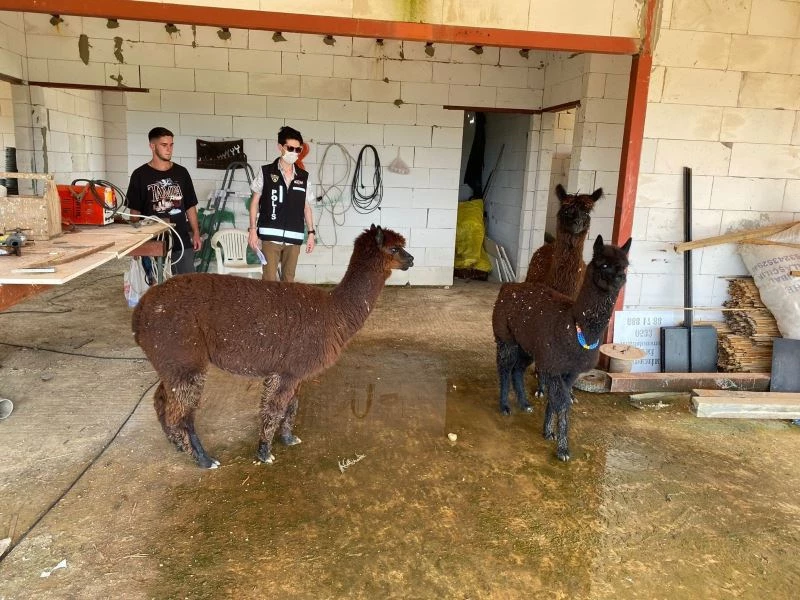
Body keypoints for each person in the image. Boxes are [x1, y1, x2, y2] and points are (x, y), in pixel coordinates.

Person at [126, 126, 202, 275]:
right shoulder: (140, 175)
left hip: (181, 240)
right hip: (152, 241)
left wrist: (196, 232)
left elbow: (190, 206)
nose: (169, 149)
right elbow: (135, 211)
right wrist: (136, 243)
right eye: (164, 145)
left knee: (186, 286)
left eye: (171, 145)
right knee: (154, 287)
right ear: (152, 146)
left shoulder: (182, 172)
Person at [248, 125, 316, 282]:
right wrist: (252, 230)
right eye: (290, 148)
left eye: (298, 150)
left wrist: (311, 234)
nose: (294, 153)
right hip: (270, 237)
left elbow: (306, 207)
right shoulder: (266, 172)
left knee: (288, 282)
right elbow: (255, 202)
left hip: (294, 237)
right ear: (280, 147)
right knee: (269, 281)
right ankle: (268, 308)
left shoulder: (303, 177)